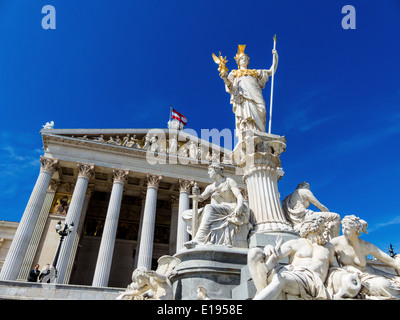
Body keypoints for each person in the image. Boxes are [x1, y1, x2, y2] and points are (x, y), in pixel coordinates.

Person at [248, 217, 335, 300]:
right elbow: (276, 256)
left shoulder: (328, 247)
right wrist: (268, 247)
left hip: (312, 281)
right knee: (255, 253)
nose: (326, 230)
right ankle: (263, 293)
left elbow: (332, 268)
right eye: (323, 227)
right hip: (295, 273)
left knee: (283, 277)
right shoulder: (296, 243)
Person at [331, 215, 400, 299]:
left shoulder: (366, 246)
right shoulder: (335, 243)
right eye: (343, 228)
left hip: (369, 276)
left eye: (348, 229)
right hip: (349, 277)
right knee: (384, 285)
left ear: (356, 231)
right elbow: (329, 265)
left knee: (386, 285)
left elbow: (392, 262)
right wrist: (347, 268)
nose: (344, 231)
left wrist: (398, 263)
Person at [183, 163, 250, 248]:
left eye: (210, 170)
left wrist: (239, 206)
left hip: (230, 208)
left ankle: (199, 239)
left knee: (209, 207)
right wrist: (196, 194)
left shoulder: (229, 181)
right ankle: (202, 236)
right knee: (186, 214)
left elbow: (239, 196)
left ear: (216, 170)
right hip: (218, 209)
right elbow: (201, 198)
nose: (208, 173)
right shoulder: (210, 187)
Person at [219, 45, 278, 140]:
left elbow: (271, 71)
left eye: (245, 58)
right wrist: (224, 77)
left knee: (261, 110)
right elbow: (230, 86)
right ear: (238, 62)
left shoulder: (255, 72)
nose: (244, 60)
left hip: (256, 95)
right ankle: (248, 135)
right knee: (247, 116)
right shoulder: (234, 73)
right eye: (242, 58)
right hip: (244, 98)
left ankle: (261, 134)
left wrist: (275, 57)